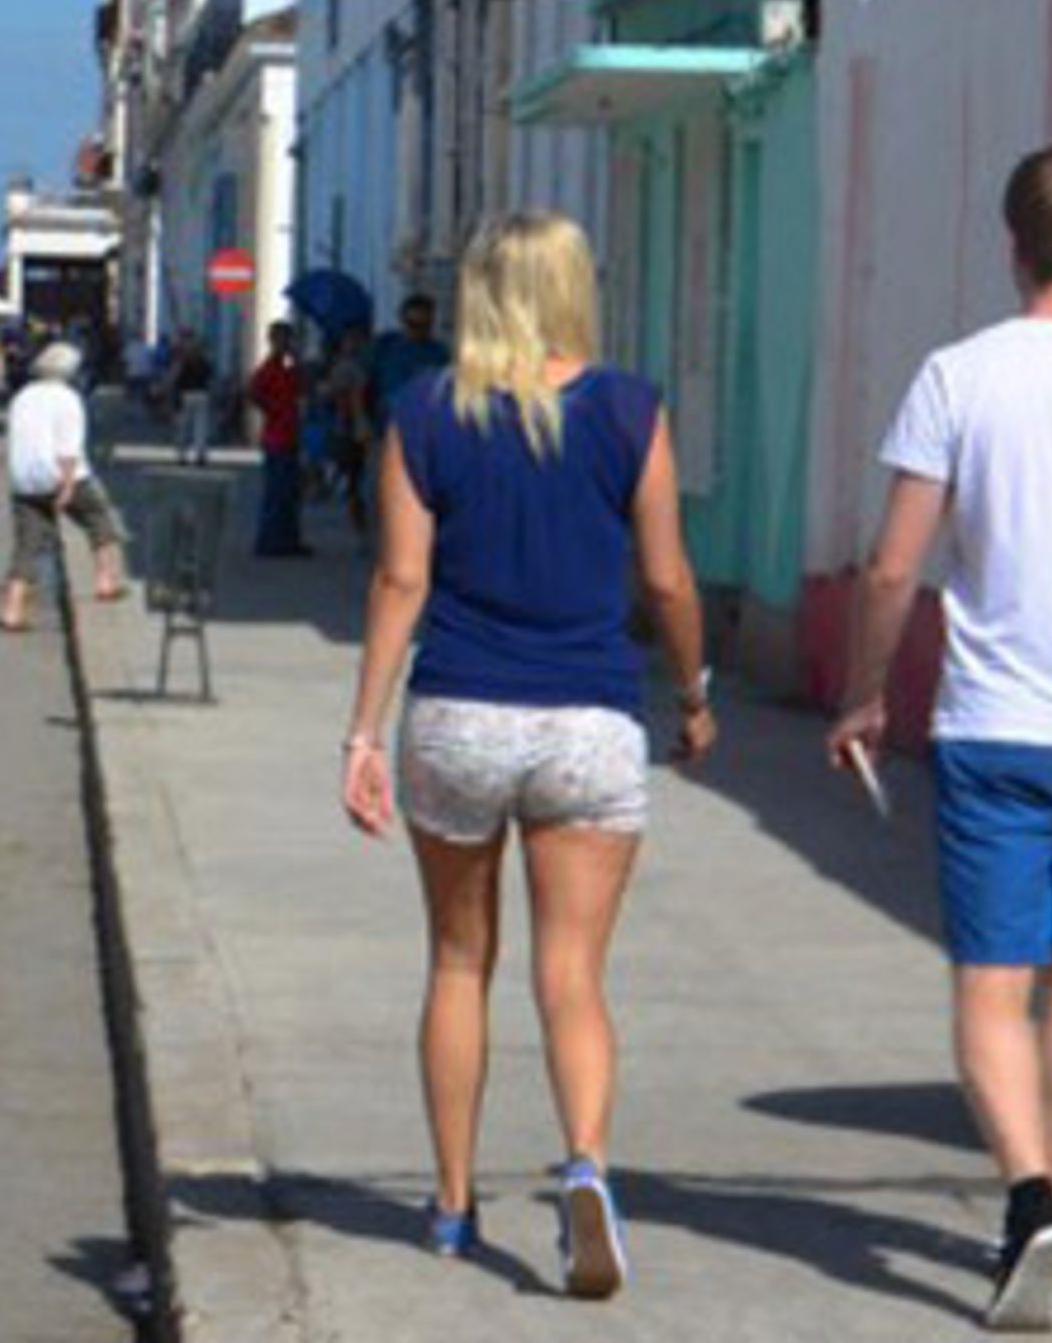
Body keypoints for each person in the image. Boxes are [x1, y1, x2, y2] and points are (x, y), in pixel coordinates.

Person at [340, 210, 710, 1295]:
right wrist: (695, 693)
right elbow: (667, 579)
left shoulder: (424, 410)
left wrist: (363, 731)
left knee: (460, 962)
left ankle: (453, 1206)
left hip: (459, 712)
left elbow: (401, 580)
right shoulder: (630, 410)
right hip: (589, 720)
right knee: (573, 973)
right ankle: (585, 1164)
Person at [829, 145, 1052, 1333]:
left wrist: (863, 695)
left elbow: (894, 567)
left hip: (1000, 729)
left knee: (992, 983)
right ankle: (1039, 1216)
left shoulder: (960, 376)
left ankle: (1031, 1201)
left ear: (1013, 248)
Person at [4, 337, 128, 631]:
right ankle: (105, 580)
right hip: (63, 475)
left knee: (27, 544)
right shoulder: (68, 399)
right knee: (99, 517)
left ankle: (12, 609)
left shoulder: (22, 397)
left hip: (24, 478)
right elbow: (68, 447)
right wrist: (68, 486)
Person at [249, 320, 313, 558]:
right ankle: (269, 540)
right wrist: (272, 410)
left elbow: (304, 387)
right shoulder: (268, 368)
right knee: (276, 491)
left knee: (290, 492)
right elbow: (254, 392)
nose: (284, 344)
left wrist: (297, 362)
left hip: (291, 435)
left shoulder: (289, 369)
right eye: (280, 339)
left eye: (287, 339)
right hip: (276, 437)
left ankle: (288, 539)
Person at [325, 324, 380, 548]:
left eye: (356, 340)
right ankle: (361, 526)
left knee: (358, 478)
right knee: (355, 478)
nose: (353, 344)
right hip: (349, 427)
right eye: (349, 340)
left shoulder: (367, 365)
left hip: (363, 427)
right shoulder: (346, 367)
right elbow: (334, 395)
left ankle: (363, 526)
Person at [172, 333, 222, 468]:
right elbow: (211, 380)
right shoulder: (205, 363)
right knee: (200, 428)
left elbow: (177, 381)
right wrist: (214, 395)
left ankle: (181, 455)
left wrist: (175, 399)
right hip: (202, 395)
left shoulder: (184, 363)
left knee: (184, 428)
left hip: (186, 396)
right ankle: (200, 455)